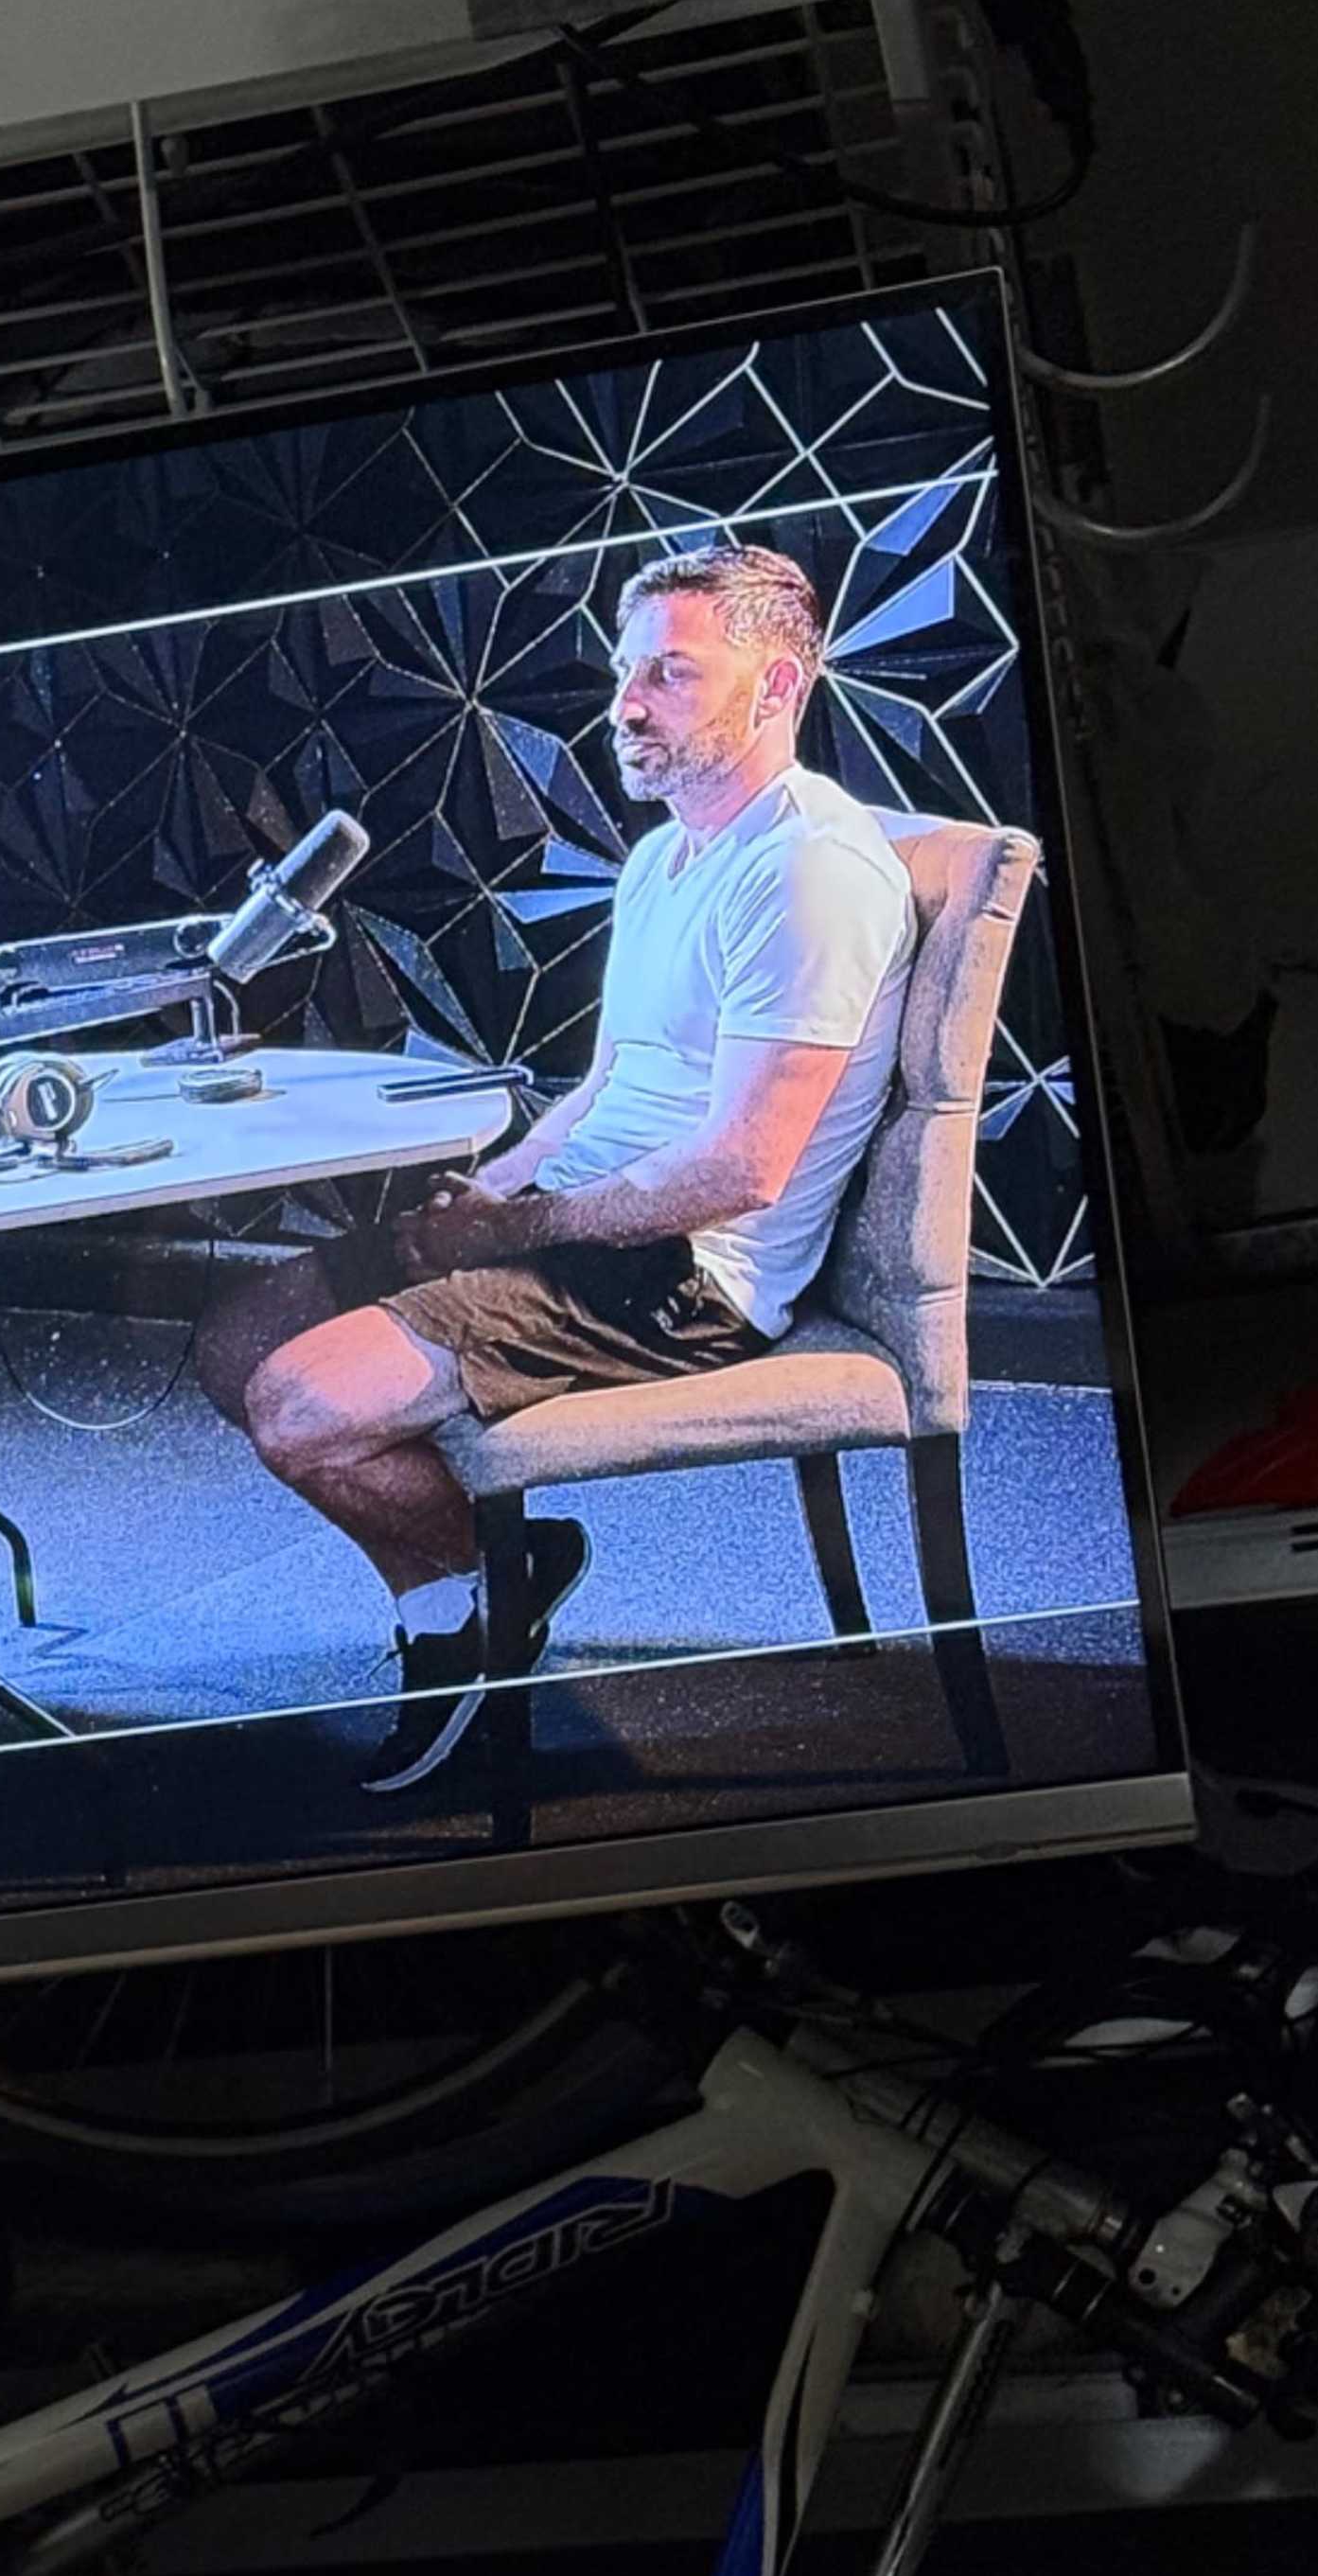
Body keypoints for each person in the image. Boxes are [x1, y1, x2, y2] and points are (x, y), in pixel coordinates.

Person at [194, 535, 915, 1791]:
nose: (629, 706)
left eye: (674, 676)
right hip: (583, 1224)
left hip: (688, 1271)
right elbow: (609, 1082)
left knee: (302, 1404)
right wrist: (509, 1185)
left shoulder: (812, 870)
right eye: (627, 673)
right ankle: (505, 1566)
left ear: (780, 688)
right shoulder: (663, 854)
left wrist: (520, 1233)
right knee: (232, 1343)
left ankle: (460, 1626)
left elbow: (741, 1170)